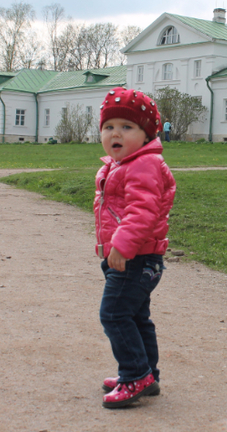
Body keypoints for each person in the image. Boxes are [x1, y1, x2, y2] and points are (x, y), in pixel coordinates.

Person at [94, 87, 176, 409]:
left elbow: (143, 211)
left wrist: (122, 245)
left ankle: (134, 375)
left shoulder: (143, 164)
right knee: (137, 316)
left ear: (146, 135)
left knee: (114, 314)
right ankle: (147, 374)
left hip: (135, 257)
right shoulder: (120, 164)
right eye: (109, 127)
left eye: (127, 127)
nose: (115, 133)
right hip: (133, 256)